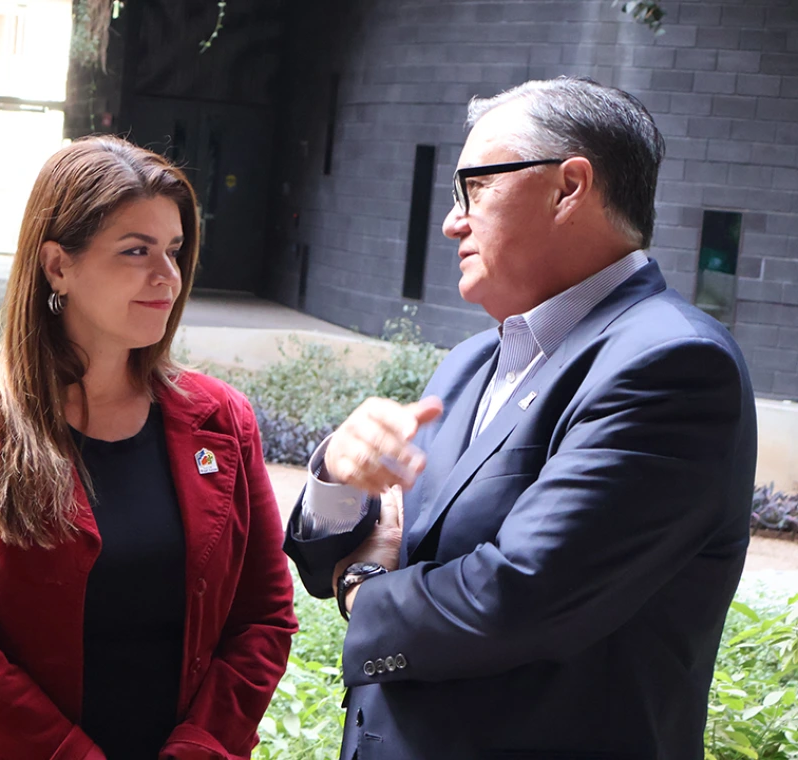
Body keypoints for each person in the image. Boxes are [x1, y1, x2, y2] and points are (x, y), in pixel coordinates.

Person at [284, 77, 757, 760]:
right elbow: (346, 550)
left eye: (474, 187)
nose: (452, 221)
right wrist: (336, 479)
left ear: (569, 187)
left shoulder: (673, 364)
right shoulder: (472, 360)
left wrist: (361, 590)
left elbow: (512, 601)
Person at [0, 135, 296, 760]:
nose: (168, 276)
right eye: (136, 251)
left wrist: (199, 747)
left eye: (175, 250)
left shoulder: (222, 420)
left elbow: (262, 620)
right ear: (58, 265)